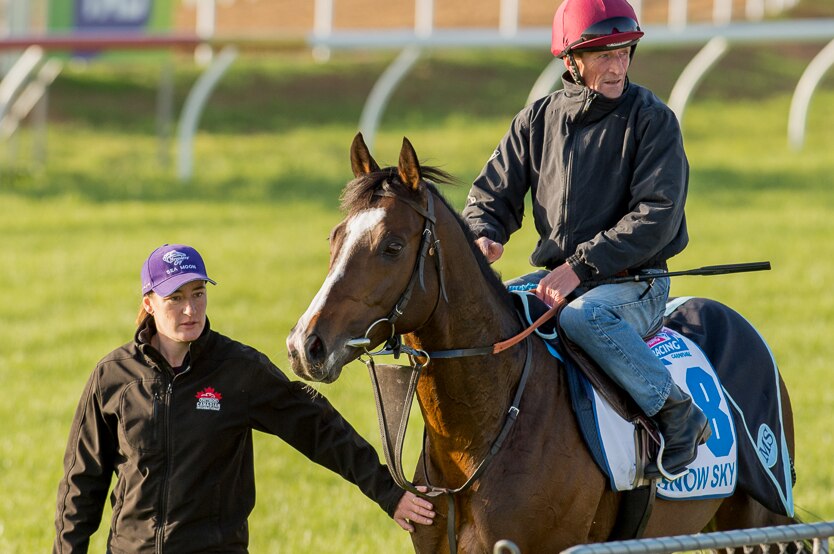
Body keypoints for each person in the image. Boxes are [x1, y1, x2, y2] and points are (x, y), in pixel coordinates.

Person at [461, 0, 710, 481]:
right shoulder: (536, 121)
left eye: (624, 52)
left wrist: (580, 268)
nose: (617, 67)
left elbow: (656, 217)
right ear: (570, 60)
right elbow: (490, 195)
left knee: (584, 316)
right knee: (488, 308)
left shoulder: (653, 120)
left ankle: (678, 413)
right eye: (603, 55)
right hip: (559, 276)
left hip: (634, 282)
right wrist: (483, 234)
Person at [54, 243, 435, 553]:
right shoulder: (113, 377)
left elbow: (317, 427)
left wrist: (388, 493)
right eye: (176, 298)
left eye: (199, 294)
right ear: (150, 303)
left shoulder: (237, 370)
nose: (191, 309)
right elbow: (81, 484)